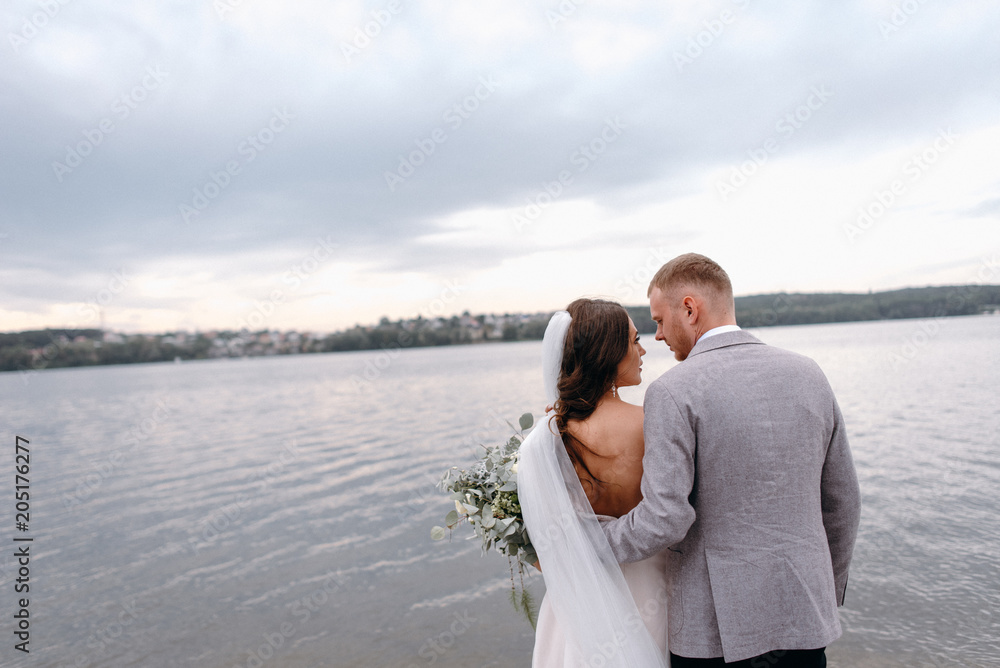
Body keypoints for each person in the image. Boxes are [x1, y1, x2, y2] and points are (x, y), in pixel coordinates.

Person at [601, 253, 862, 667]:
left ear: (689, 308)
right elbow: (843, 501)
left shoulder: (672, 391)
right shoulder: (809, 373)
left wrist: (585, 544)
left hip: (715, 634)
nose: (658, 337)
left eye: (659, 321)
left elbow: (665, 517)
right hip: (805, 617)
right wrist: (825, 589)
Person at [518, 298, 669, 667]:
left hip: (580, 600)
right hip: (653, 590)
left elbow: (542, 552)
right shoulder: (654, 422)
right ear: (609, 350)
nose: (643, 349)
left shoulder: (544, 440)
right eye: (634, 341)